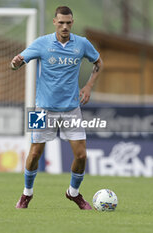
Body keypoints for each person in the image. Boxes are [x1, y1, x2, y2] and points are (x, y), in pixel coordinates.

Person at [11, 6, 103, 210]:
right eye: (61, 22)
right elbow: (18, 62)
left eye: (68, 23)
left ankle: (74, 193)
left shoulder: (82, 44)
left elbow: (98, 63)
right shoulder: (42, 43)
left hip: (71, 109)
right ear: (54, 22)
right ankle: (26, 194)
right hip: (42, 108)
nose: (65, 26)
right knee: (34, 153)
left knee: (81, 155)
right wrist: (15, 63)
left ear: (72, 22)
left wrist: (88, 86)